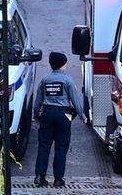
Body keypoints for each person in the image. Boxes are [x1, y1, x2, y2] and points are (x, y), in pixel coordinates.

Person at [33, 52, 84, 188]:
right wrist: (82, 115)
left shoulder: (45, 80)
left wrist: (36, 114)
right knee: (61, 147)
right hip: (63, 115)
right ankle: (58, 179)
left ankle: (39, 176)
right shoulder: (68, 80)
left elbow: (38, 100)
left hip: (47, 113)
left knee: (44, 146)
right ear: (63, 65)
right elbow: (75, 100)